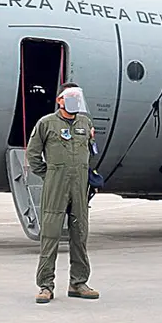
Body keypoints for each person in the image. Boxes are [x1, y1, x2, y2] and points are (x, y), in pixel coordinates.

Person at [26, 82, 99, 304]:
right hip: (56, 185)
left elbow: (91, 151)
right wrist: (49, 175)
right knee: (50, 235)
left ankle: (78, 283)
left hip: (79, 186)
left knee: (80, 234)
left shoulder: (86, 123)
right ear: (60, 100)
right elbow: (32, 154)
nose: (75, 102)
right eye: (71, 97)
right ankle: (45, 286)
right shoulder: (46, 124)